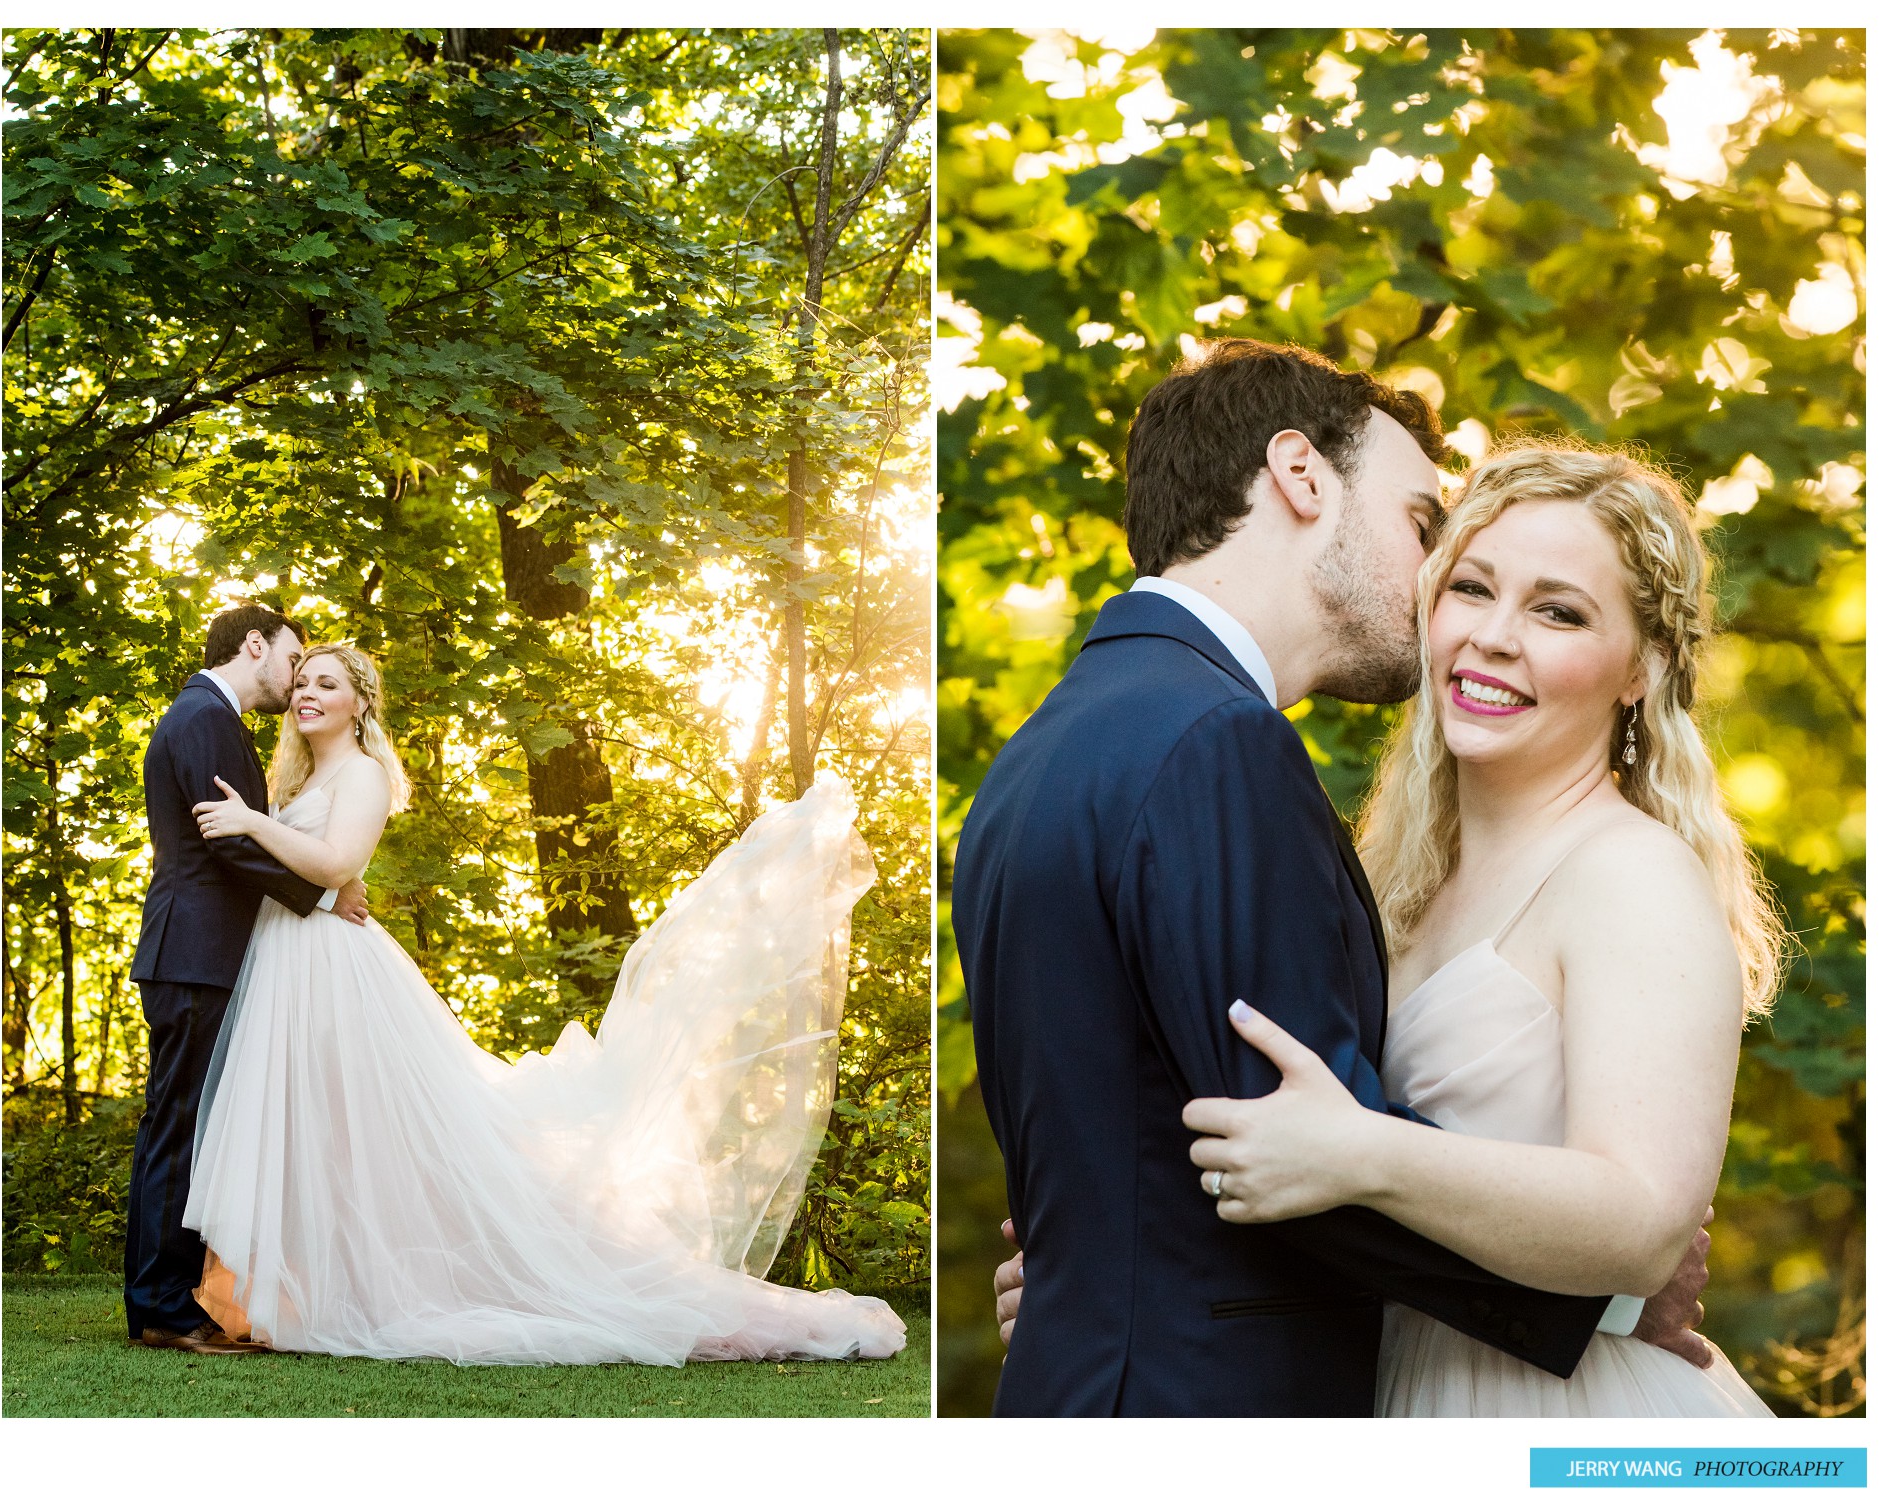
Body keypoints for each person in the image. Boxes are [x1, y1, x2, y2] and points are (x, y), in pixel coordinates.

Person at [952, 340, 1708, 1416]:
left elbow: (1185, 1126)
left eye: (1556, 610)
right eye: (1423, 529)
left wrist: (1087, 1274)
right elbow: (1284, 1134)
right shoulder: (1217, 741)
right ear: (1302, 475)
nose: (1437, 591)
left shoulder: (1040, 753)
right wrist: (1610, 1294)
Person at [1178, 443, 1775, 1415]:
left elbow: (1642, 1225)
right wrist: (1116, 1274)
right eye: (1472, 588)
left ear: (1641, 669)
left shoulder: (1632, 873)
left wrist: (1362, 1151)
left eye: (1558, 610)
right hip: (1398, 1385)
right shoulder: (1399, 882)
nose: (1495, 635)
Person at [180, 640, 904, 1364]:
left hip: (334, 971)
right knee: (319, 1132)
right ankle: (301, 1294)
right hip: (291, 962)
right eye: (302, 681)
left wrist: (254, 825)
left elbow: (339, 863)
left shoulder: (364, 774)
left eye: (327, 684)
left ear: (360, 703)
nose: (307, 693)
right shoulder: (304, 776)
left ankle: (375, 1289)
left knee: (361, 1129)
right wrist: (279, 836)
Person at [125, 603, 370, 1356]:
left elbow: (241, 835)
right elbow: (222, 839)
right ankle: (164, 1307)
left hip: (206, 951)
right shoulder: (205, 717)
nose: (296, 680)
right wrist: (326, 892)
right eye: (293, 661)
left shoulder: (213, 718)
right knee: (178, 1125)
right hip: (193, 950)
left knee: (186, 1124)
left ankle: (176, 1295)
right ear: (255, 645)